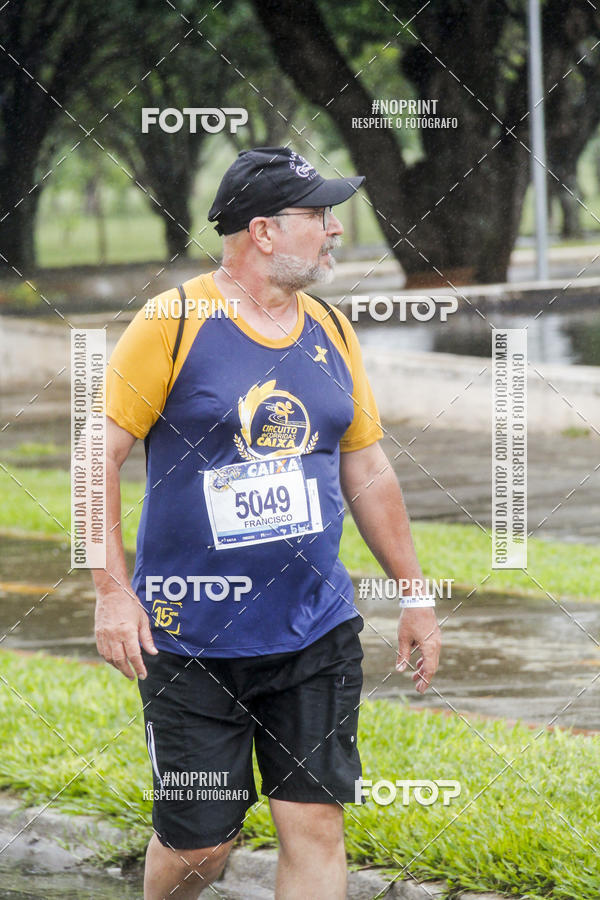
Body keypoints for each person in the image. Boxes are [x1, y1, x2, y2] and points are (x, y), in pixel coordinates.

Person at [93, 146, 441, 900]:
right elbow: (97, 457)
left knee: (315, 824)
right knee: (201, 847)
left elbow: (368, 470)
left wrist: (414, 593)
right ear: (264, 231)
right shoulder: (174, 321)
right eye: (318, 215)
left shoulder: (331, 331)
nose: (334, 230)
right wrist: (111, 591)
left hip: (313, 629)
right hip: (189, 634)